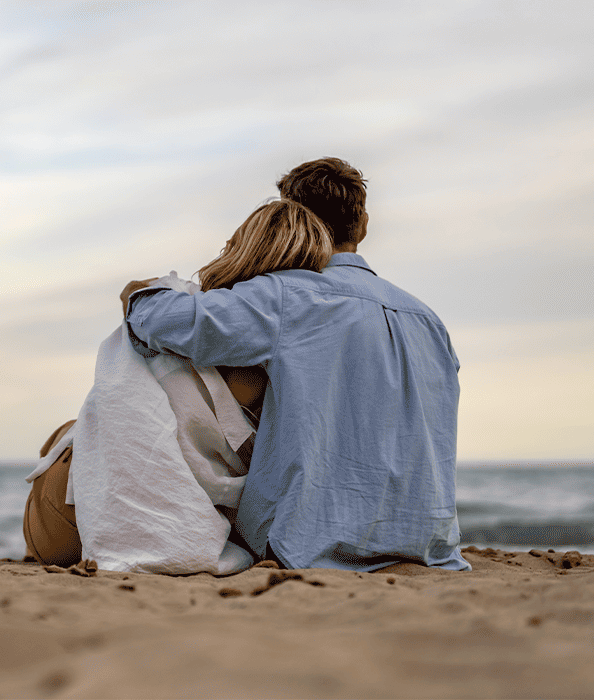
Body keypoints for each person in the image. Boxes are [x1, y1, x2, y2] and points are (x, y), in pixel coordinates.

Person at [123, 157, 469, 571]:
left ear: (296, 217)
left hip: (309, 545)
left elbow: (169, 323)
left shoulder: (285, 297)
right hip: (429, 549)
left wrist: (140, 294)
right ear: (363, 225)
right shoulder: (428, 320)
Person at [22, 198, 336, 572]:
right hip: (215, 520)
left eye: (232, 245)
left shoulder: (197, 316)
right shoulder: (313, 348)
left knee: (70, 432)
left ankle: (36, 545)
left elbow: (132, 295)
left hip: (77, 518)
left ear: (243, 252)